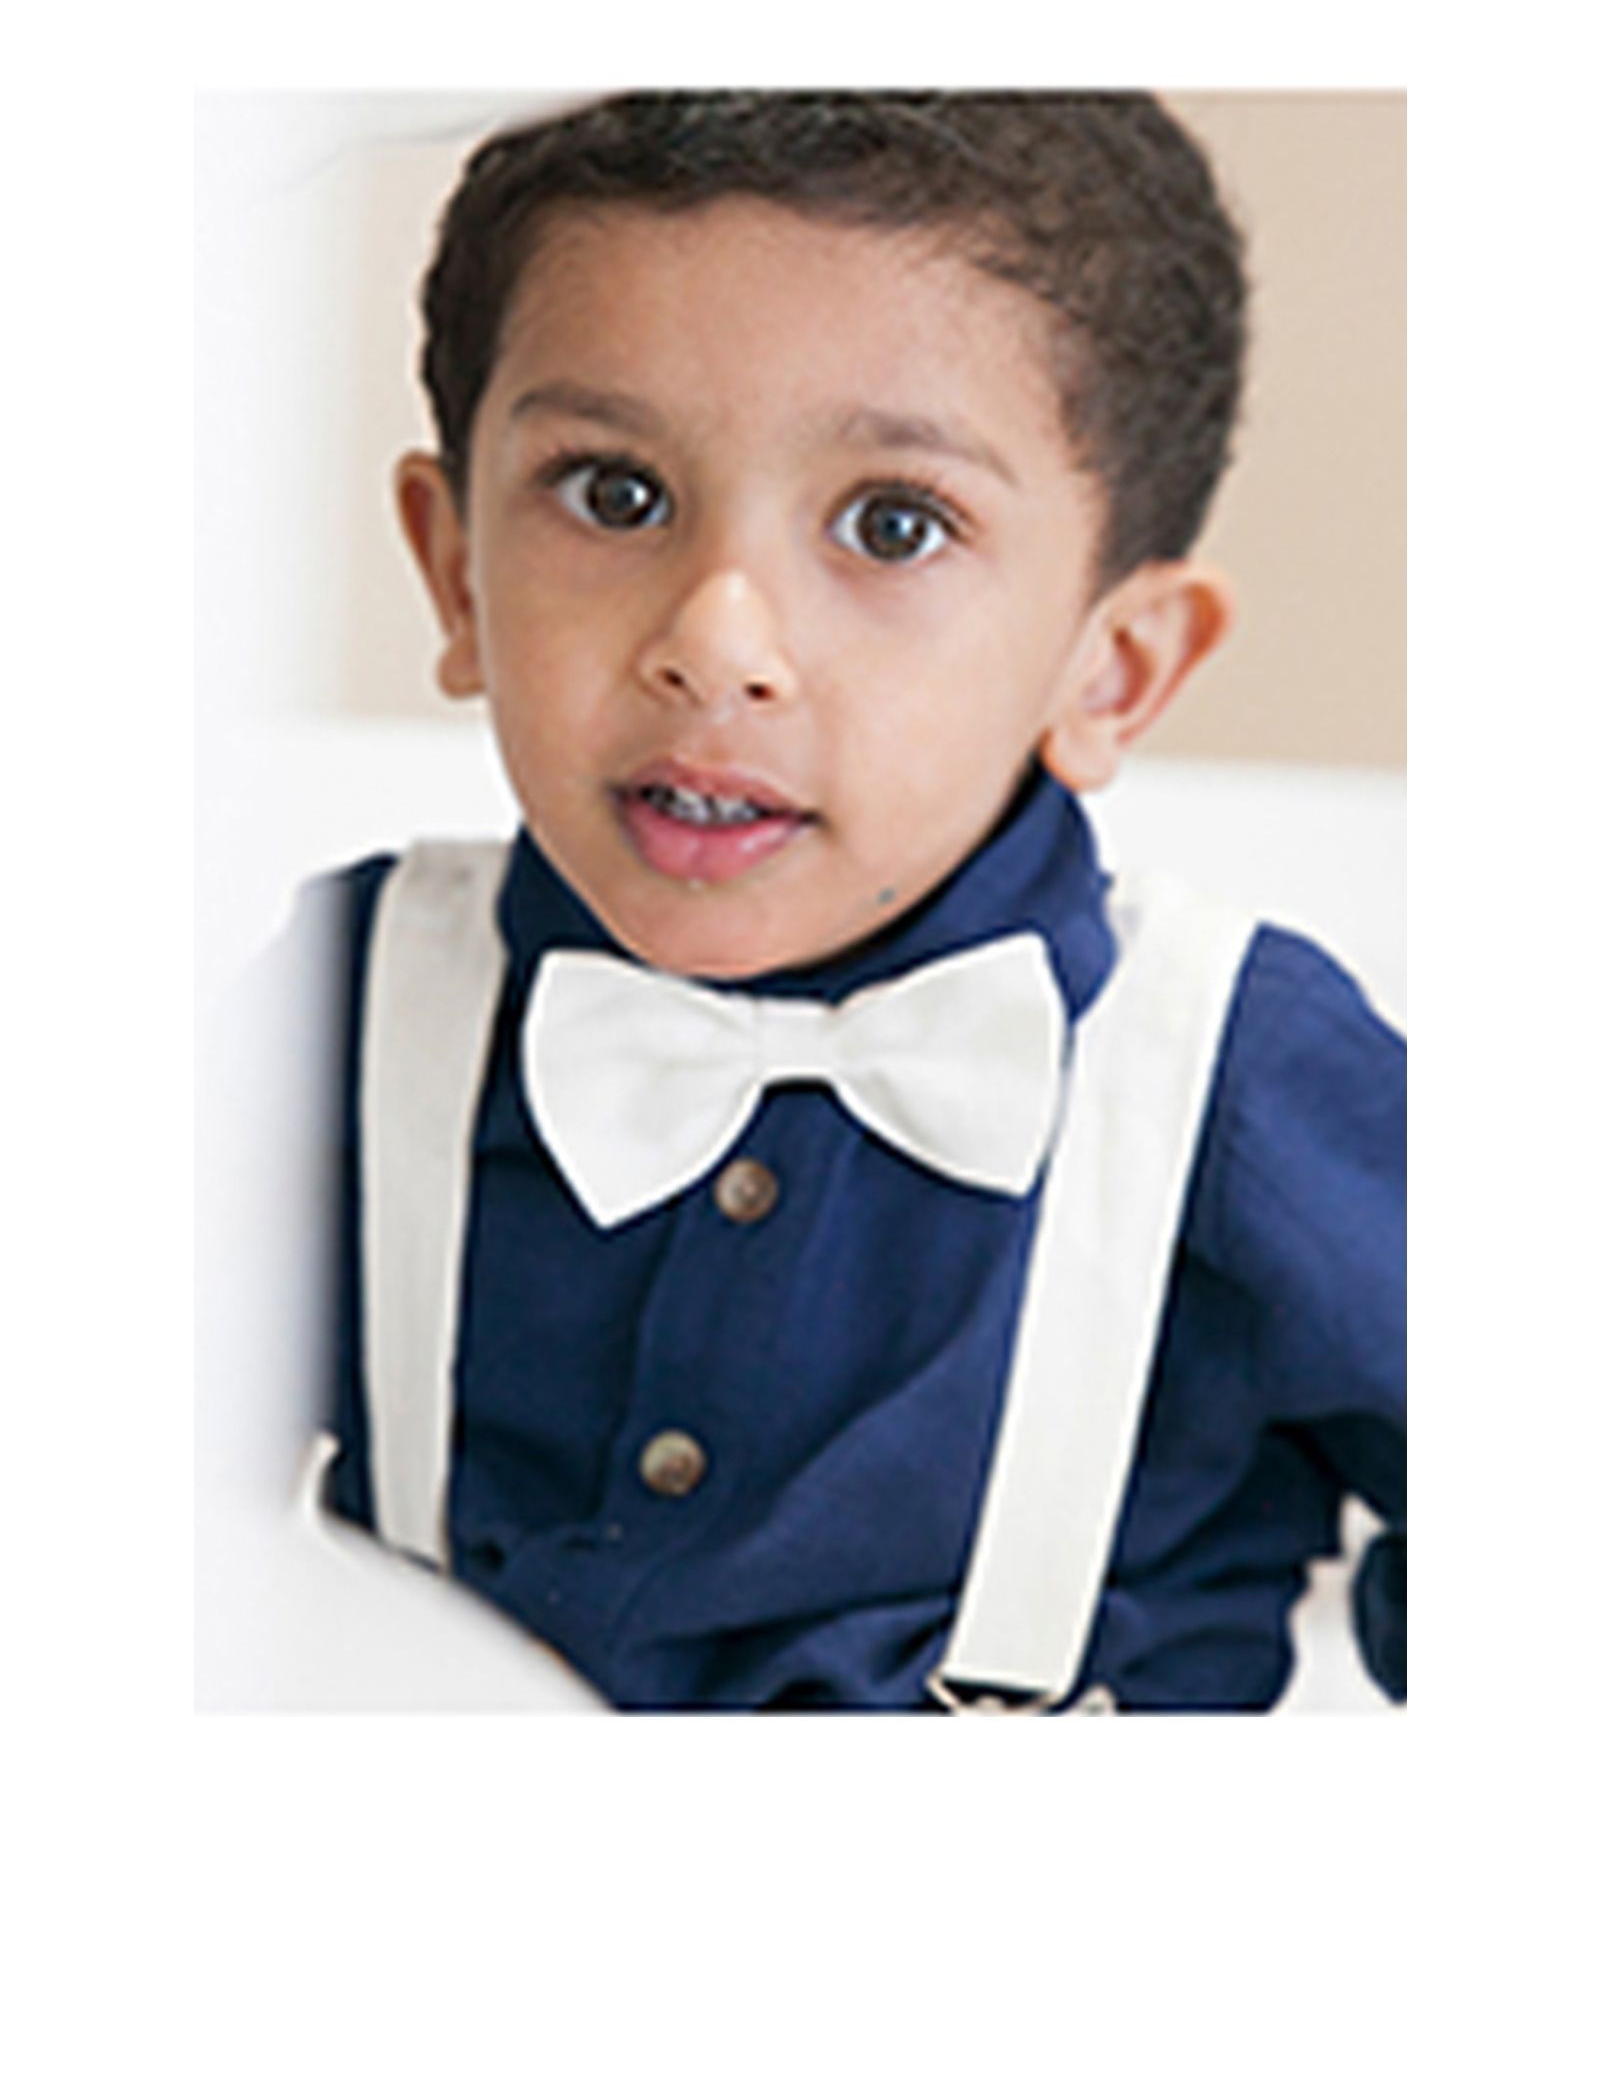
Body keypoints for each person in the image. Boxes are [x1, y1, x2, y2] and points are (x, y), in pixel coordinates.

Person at [302, 91, 1405, 1713]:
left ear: (1112, 667)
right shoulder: (350, 999)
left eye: (895, 525)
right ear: (458, 569)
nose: (720, 638)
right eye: (612, 493)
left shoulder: (1239, 1072)